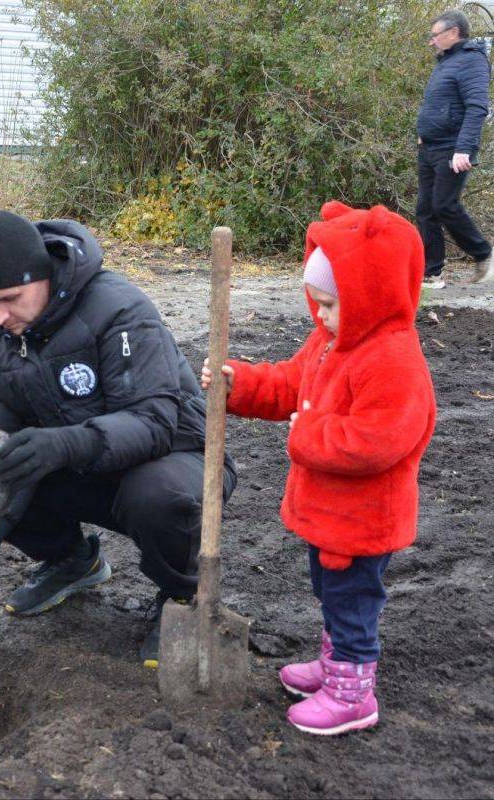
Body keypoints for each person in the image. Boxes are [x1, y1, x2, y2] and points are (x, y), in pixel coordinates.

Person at [0, 209, 236, 669]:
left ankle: (182, 596)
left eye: (8, 299)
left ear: (42, 278)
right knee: (14, 470)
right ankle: (73, 562)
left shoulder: (120, 310)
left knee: (156, 496)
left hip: (179, 457)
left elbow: (154, 422)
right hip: (87, 465)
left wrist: (62, 445)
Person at [203, 201, 436, 735]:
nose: (323, 314)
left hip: (363, 522)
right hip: (330, 515)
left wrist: (306, 436)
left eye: (332, 303)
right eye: (319, 302)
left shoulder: (392, 359)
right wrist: (241, 384)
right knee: (331, 595)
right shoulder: (331, 340)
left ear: (372, 294)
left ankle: (353, 695)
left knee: (353, 603)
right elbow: (290, 384)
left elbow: (378, 440)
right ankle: (335, 669)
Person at [416, 9, 493, 289]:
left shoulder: (472, 62)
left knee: (444, 204)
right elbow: (439, 105)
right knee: (425, 210)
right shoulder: (446, 62)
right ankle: (432, 273)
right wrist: (424, 134)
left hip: (453, 149)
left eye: (435, 35)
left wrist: (464, 149)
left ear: (453, 33)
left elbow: (476, 108)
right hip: (430, 147)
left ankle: (483, 253)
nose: (431, 41)